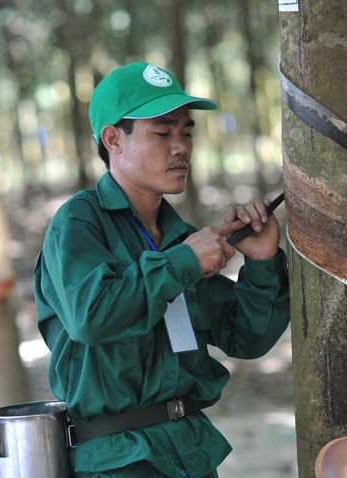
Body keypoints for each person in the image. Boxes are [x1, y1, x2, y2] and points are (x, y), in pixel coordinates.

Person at [33, 62, 290, 477]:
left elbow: (246, 337)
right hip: (119, 461)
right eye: (162, 133)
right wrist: (183, 262)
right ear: (113, 139)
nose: (181, 147)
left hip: (190, 451)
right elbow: (91, 317)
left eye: (186, 132)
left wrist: (261, 263)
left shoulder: (179, 236)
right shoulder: (79, 222)